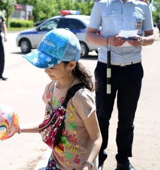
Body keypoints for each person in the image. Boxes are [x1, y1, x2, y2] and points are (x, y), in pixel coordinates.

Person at [85, 0, 155, 170]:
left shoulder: (143, 7)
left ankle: (123, 160)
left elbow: (151, 36)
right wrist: (107, 40)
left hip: (133, 69)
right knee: (102, 116)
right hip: (106, 68)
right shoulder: (102, 4)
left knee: (127, 118)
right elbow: (89, 35)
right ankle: (100, 158)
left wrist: (142, 41)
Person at [20, 29, 102, 170]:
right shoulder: (50, 89)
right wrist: (18, 128)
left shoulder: (81, 97)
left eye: (51, 66)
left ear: (71, 65)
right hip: (55, 163)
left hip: (79, 166)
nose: (46, 70)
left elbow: (96, 138)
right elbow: (47, 124)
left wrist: (88, 165)